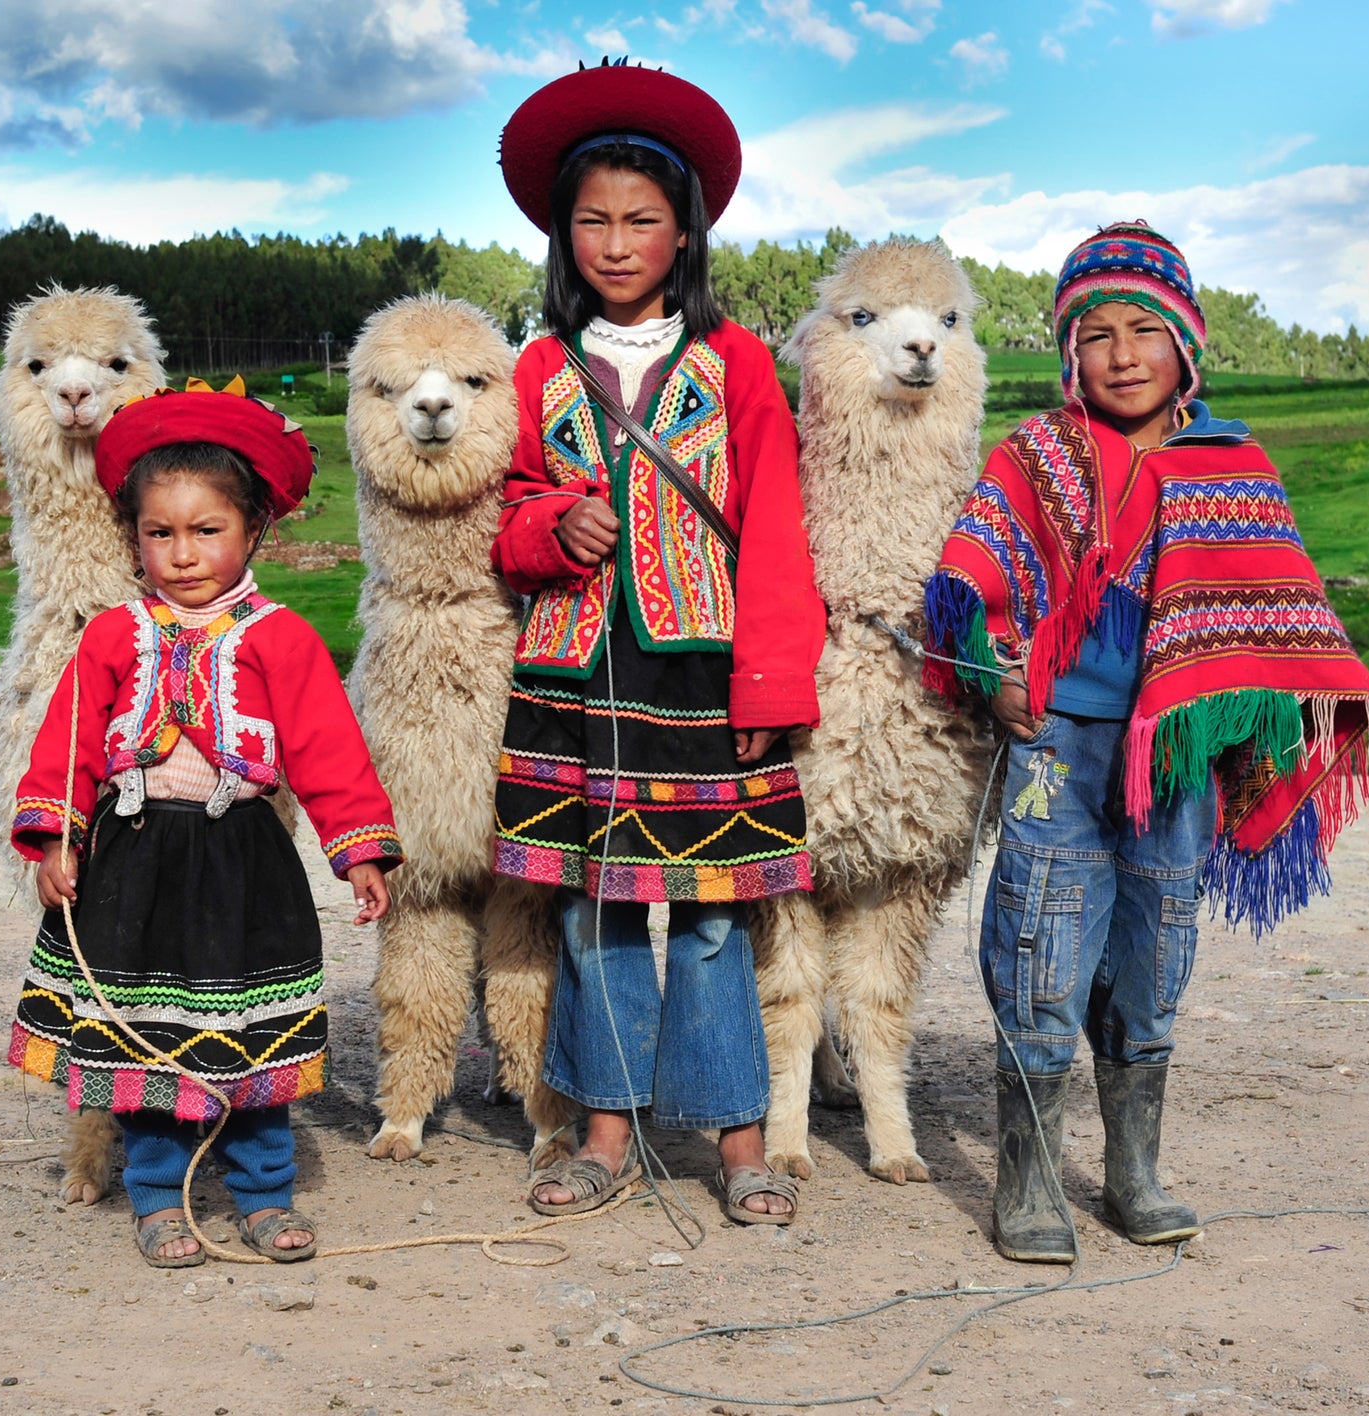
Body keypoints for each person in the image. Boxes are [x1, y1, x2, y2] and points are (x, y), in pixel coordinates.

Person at [923, 223, 1369, 1262]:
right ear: (1068, 354)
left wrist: (1262, 715)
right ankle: (1033, 1178)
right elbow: (976, 584)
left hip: (1175, 763)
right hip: (1062, 744)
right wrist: (994, 670)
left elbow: (1279, 614)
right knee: (1040, 948)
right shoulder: (1036, 455)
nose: (1123, 353)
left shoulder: (1232, 467)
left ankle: (1133, 1168)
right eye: (1097, 334)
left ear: (1186, 343)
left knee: (1154, 958)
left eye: (1146, 329)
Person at [489, 61, 826, 1225]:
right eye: (594, 220)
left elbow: (775, 524)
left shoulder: (734, 366)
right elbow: (509, 504)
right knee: (596, 905)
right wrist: (548, 526)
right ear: (560, 232)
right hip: (577, 671)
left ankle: (739, 1143)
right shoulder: (536, 369)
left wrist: (772, 678)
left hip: (702, 666)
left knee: (718, 906)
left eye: (641, 219)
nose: (617, 243)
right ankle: (604, 1133)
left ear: (683, 230)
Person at [4, 377, 402, 1268]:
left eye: (206, 530)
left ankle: (262, 1192)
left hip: (240, 857)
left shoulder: (282, 637)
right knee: (147, 1036)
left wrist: (360, 854)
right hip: (133, 858)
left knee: (248, 1033)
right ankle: (159, 1197)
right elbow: (67, 744)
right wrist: (57, 836)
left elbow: (329, 753)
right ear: (134, 536)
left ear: (253, 529)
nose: (182, 554)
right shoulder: (112, 635)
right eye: (159, 533)